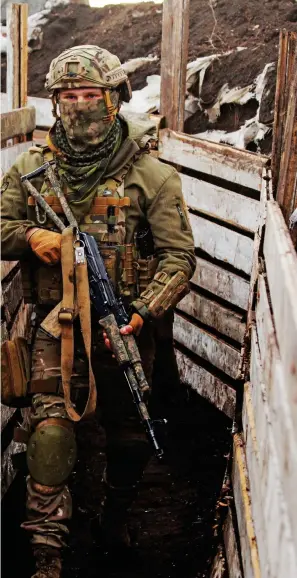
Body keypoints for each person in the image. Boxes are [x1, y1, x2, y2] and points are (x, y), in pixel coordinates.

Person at [1, 45, 195, 578]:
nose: (80, 106)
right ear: (56, 103)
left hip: (123, 326)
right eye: (68, 97)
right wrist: (30, 236)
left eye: (92, 96)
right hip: (54, 324)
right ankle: (47, 556)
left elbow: (180, 258)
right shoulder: (29, 170)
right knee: (50, 435)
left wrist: (141, 311)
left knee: (131, 435)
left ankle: (116, 516)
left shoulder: (150, 176)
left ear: (115, 101)